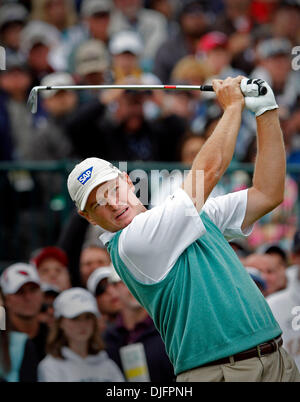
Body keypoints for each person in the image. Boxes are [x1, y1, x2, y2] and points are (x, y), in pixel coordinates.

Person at [67, 76, 300, 382]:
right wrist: (232, 108)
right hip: (220, 372)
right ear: (89, 218)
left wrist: (266, 112)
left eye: (112, 189)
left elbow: (268, 193)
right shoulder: (131, 243)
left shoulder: (187, 217)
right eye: (98, 203)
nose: (111, 203)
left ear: (127, 181)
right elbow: (209, 172)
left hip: (276, 359)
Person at [101, 269, 175, 382]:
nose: (134, 286)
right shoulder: (108, 339)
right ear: (113, 288)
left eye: (139, 280)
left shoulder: (168, 328)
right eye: (125, 281)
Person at [38, 287, 125, 382]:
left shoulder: (108, 365)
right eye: (75, 318)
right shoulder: (50, 367)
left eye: (87, 317)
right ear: (60, 323)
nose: (82, 324)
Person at [0, 263, 48, 362]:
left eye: (33, 290)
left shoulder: (53, 337)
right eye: (20, 292)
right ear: (6, 299)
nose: (28, 297)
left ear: (42, 294)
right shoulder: (2, 339)